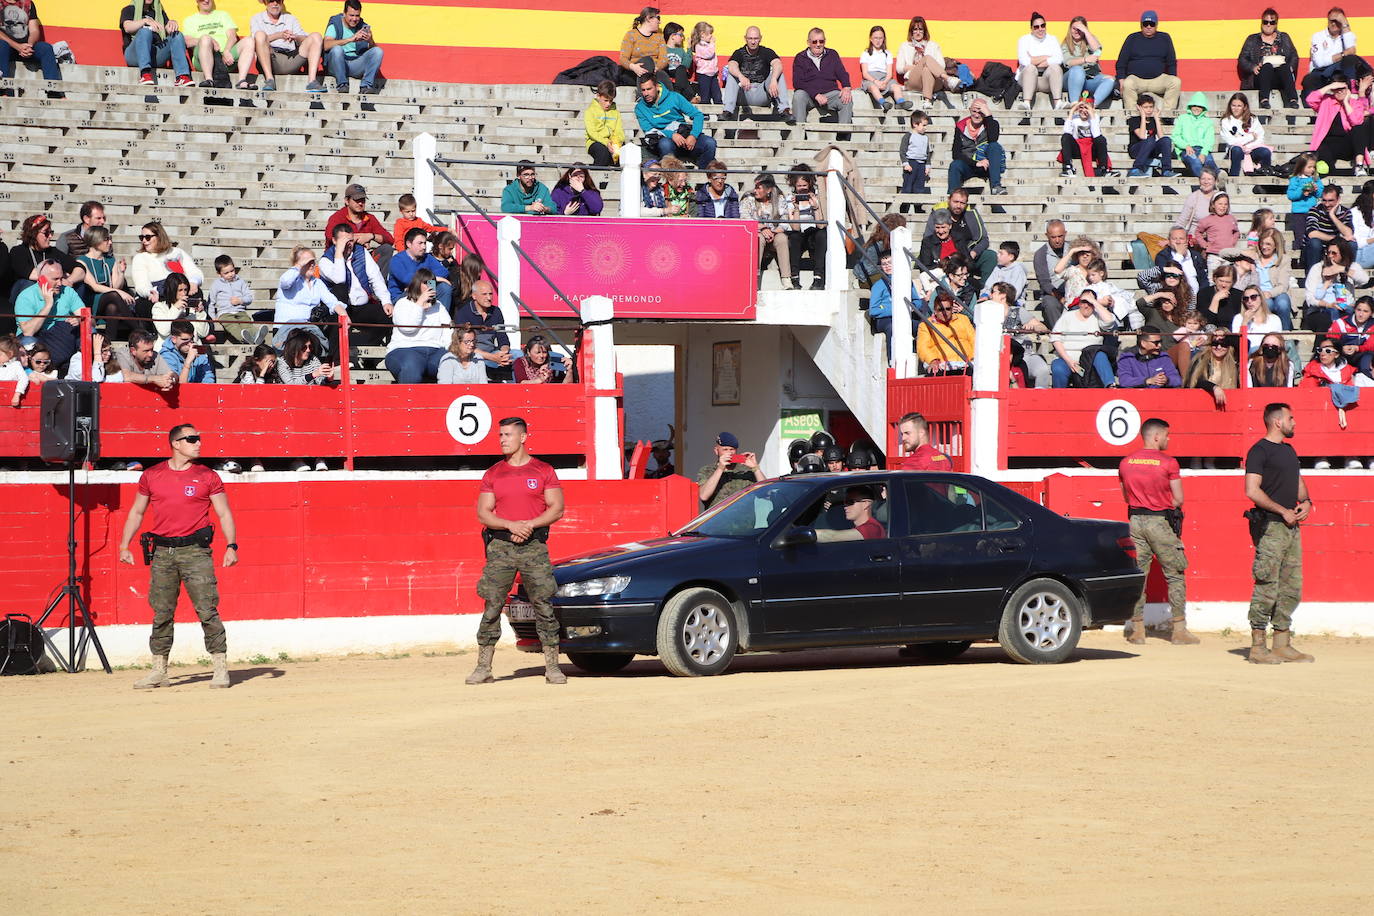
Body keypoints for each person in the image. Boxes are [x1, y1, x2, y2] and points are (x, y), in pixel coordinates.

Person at [119, 423, 238, 689]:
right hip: (162, 552)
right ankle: (159, 670)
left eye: (198, 438)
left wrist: (232, 545)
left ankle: (220, 667)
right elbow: (137, 512)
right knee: (161, 612)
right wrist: (123, 545)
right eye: (192, 439)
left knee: (207, 609)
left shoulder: (207, 476)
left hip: (196, 551)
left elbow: (224, 513)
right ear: (176, 443)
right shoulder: (152, 475)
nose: (198, 443)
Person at [464, 417, 567, 685]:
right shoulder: (493, 473)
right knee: (492, 605)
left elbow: (556, 507)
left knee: (543, 603)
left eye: (508, 434)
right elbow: (483, 513)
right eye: (500, 435)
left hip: (533, 546)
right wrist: (511, 524)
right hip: (500, 546)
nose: (502, 439)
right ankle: (483, 666)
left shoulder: (543, 470)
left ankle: (553, 667)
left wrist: (528, 525)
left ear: (523, 437)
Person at [1243, 403, 1314, 664]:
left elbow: (1297, 480)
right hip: (1272, 526)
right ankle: (1258, 647)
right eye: (1290, 418)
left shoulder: (1287, 449)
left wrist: (1306, 502)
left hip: (1290, 527)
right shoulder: (1259, 450)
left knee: (1291, 586)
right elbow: (1252, 490)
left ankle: (1282, 642)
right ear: (1277, 422)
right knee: (1267, 584)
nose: (1294, 422)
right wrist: (1282, 511)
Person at [1119, 417, 1197, 646]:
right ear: (1155, 436)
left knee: (1138, 576)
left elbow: (1126, 496)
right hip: (1160, 522)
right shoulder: (1168, 462)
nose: (1168, 438)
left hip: (1135, 522)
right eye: (1166, 435)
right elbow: (1178, 499)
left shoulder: (1126, 462)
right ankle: (1179, 630)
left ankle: (1138, 630)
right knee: (1175, 574)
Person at [319, 222, 392, 352]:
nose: (349, 244)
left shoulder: (361, 252)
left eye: (351, 240)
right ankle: (336, 357)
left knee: (386, 316)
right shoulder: (325, 260)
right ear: (334, 240)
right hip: (339, 309)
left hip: (361, 306)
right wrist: (339, 254)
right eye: (344, 240)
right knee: (339, 293)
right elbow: (339, 279)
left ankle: (369, 351)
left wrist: (386, 301)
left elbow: (376, 278)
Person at [272, 245, 346, 355]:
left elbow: (332, 302)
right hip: (286, 328)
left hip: (307, 328)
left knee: (317, 342)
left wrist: (345, 316)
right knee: (301, 344)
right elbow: (285, 282)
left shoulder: (318, 283)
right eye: (308, 261)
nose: (312, 264)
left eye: (313, 261)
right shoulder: (290, 279)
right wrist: (299, 265)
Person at [634, 73, 717, 166]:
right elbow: (649, 131)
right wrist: (672, 134)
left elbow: (698, 115)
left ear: (657, 86)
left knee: (709, 143)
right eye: (643, 90)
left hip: (685, 137)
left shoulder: (674, 97)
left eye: (649, 89)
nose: (646, 93)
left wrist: (693, 135)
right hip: (664, 141)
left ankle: (705, 173)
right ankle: (672, 177)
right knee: (665, 144)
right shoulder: (640, 108)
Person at [15, 260, 83, 369]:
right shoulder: (26, 296)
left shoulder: (68, 292)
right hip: (36, 338)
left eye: (61, 278)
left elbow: (90, 320)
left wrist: (79, 320)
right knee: (28, 342)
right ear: (41, 279)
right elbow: (28, 331)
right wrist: (48, 305)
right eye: (55, 279)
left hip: (61, 337)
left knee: (87, 331)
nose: (60, 283)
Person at [922, 188, 996, 282]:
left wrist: (973, 253)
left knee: (990, 256)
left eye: (962, 203)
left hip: (968, 253)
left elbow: (984, 239)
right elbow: (929, 239)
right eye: (955, 202)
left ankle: (984, 288)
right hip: (944, 258)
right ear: (949, 200)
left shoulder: (972, 216)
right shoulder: (939, 215)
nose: (958, 206)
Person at [250, 0, 324, 93]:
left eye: (278, 1)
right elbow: (255, 42)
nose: (275, 4)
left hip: (291, 57)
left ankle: (312, 81)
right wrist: (279, 35)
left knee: (316, 36)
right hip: (271, 58)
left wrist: (295, 37)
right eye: (271, 1)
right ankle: (269, 79)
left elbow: (303, 37)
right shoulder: (257, 18)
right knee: (260, 35)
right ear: (265, 2)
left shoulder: (291, 18)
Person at [722, 26, 793, 122]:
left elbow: (778, 63)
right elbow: (731, 64)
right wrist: (741, 76)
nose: (753, 42)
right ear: (745, 39)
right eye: (750, 38)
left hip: (762, 93)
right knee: (732, 74)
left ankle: (784, 110)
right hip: (744, 93)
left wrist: (773, 79)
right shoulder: (739, 52)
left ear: (760, 38)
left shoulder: (766, 52)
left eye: (755, 38)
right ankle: (727, 111)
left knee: (778, 73)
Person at [1051, 289, 1119, 387]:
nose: (1086, 306)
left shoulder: (1098, 316)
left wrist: (1094, 302)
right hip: (1067, 358)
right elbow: (1055, 338)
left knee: (1100, 355)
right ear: (1079, 303)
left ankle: (1110, 386)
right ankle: (1058, 397)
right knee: (1058, 368)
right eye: (1083, 302)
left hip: (1090, 358)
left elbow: (1109, 321)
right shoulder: (1067, 316)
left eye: (1089, 302)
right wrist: (1069, 361)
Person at [182, 0, 257, 89]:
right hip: (202, 59)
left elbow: (232, 36)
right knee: (205, 38)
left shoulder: (223, 15)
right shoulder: (190, 20)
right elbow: (187, 42)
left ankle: (241, 81)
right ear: (197, 1)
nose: (206, 1)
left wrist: (227, 50)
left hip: (225, 58)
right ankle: (209, 79)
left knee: (249, 40)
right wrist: (207, 40)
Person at [1117, 10, 1181, 113]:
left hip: (1158, 79)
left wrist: (1172, 75)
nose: (1148, 27)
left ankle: (1167, 115)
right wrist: (1121, 79)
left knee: (1175, 82)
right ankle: (1133, 116)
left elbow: (1171, 62)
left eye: (1152, 24)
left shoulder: (1165, 38)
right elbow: (1121, 62)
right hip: (1137, 79)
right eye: (1145, 24)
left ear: (1156, 25)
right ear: (1141, 25)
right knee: (1127, 83)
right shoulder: (1132, 38)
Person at [1307, 78, 1373, 176]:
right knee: (1323, 153)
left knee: (1359, 127)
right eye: (1336, 89)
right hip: (1328, 144)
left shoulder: (1355, 103)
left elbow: (1356, 121)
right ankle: (1331, 176)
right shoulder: (1326, 101)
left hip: (1348, 144)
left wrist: (1346, 102)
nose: (1339, 91)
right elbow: (1310, 100)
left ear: (1348, 90)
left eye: (1342, 88)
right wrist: (1329, 86)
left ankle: (1359, 166)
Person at [129, 222, 202, 308]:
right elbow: (141, 284)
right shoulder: (140, 258)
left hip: (180, 288)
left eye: (148, 237)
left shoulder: (176, 252)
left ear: (159, 237)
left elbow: (194, 271)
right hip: (157, 291)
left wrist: (194, 282)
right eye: (141, 238)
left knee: (197, 294)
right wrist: (150, 292)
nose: (144, 241)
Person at [791, 28, 853, 127]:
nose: (818, 44)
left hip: (830, 94)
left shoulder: (832, 54)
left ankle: (843, 137)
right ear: (808, 42)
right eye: (814, 41)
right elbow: (797, 82)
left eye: (821, 41)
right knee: (798, 95)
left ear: (825, 41)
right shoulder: (800, 57)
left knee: (846, 99)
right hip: (809, 96)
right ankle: (800, 134)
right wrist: (815, 94)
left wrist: (846, 87)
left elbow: (842, 73)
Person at [1238, 9, 1299, 109]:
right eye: (1265, 22)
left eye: (1272, 22)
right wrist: (1253, 67)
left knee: (1284, 67)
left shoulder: (1284, 37)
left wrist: (1290, 68)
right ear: (1261, 23)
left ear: (1276, 24)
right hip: (1261, 76)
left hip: (1280, 76)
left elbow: (1294, 55)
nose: (1268, 25)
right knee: (1267, 66)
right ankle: (1264, 99)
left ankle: (1293, 100)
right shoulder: (1252, 39)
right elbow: (1242, 58)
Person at [1, 0, 63, 96]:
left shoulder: (28, 3)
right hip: (7, 47)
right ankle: (3, 91)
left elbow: (34, 30)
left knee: (45, 48)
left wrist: (29, 45)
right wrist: (17, 47)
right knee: (2, 45)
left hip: (26, 48)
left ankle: (54, 92)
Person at [452, 279, 511, 379]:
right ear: (474, 296)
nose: (489, 298)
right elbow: (463, 346)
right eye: (484, 294)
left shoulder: (496, 311)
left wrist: (504, 353)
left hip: (493, 353)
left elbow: (502, 337)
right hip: (472, 354)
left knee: (517, 355)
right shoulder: (463, 313)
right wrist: (492, 357)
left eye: (491, 294)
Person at [1305, 189, 1359, 297]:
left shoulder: (1345, 212)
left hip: (1336, 248)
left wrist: (1332, 216)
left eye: (1330, 200)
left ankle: (1347, 277)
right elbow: (1312, 233)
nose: (1327, 204)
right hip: (1319, 247)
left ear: (1338, 200)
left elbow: (1348, 233)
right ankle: (1312, 280)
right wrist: (1335, 239)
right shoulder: (1315, 210)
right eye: (1324, 200)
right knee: (1314, 243)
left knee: (1352, 244)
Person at [741, 173, 791, 287]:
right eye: (755, 187)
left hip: (775, 233)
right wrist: (762, 228)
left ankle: (786, 278)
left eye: (758, 187)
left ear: (768, 190)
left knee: (782, 239)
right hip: (756, 233)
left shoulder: (779, 199)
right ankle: (755, 278)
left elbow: (784, 221)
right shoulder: (748, 198)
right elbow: (745, 218)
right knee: (758, 239)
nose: (755, 190)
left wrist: (773, 232)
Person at [322, 0, 382, 94]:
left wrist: (370, 40)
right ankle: (342, 84)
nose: (354, 19)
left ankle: (366, 86)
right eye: (351, 15)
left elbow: (373, 52)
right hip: (336, 65)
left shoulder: (362, 26)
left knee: (378, 51)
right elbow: (326, 45)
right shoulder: (335, 24)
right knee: (337, 49)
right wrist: (350, 39)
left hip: (355, 64)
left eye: (357, 15)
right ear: (344, 13)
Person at [949, 98, 1006, 195]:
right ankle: (953, 195)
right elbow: (956, 154)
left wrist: (988, 115)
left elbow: (993, 139)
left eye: (980, 112)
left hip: (987, 165)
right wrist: (975, 163)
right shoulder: (961, 126)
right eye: (974, 111)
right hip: (970, 165)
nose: (976, 115)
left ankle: (996, 186)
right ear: (970, 110)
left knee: (994, 146)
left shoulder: (991, 124)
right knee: (955, 165)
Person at [388, 227, 452, 311]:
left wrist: (431, 280)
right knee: (419, 288)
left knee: (444, 288)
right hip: (403, 297)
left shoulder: (427, 257)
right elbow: (408, 280)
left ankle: (441, 320)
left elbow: (443, 272)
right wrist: (435, 278)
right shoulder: (397, 260)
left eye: (425, 243)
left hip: (423, 291)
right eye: (420, 243)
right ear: (409, 244)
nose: (424, 246)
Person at [785, 165, 827, 290]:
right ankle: (795, 277)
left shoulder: (818, 197)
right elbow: (796, 227)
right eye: (799, 186)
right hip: (799, 233)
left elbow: (820, 225)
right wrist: (796, 208)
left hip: (814, 233)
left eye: (805, 186)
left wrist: (815, 207)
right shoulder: (789, 199)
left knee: (822, 234)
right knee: (794, 237)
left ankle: (818, 277)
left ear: (809, 184)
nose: (802, 189)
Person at [696, 431, 765, 509]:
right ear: (716, 451)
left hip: (744, 519)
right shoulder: (707, 470)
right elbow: (704, 496)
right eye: (725, 449)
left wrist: (755, 468)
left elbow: (766, 492)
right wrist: (720, 468)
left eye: (732, 449)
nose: (729, 453)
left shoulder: (745, 470)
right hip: (718, 520)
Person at [323, 183, 394, 257]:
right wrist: (356, 239)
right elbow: (330, 237)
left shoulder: (370, 218)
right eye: (356, 200)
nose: (360, 203)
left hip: (362, 257)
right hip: (339, 256)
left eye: (362, 200)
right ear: (347, 201)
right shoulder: (337, 217)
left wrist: (371, 236)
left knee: (387, 249)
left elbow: (390, 240)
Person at [916, 290, 975, 375]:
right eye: (940, 310)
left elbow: (974, 340)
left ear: (952, 309)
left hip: (966, 364)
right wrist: (932, 360)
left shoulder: (963, 319)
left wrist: (973, 357)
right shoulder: (926, 325)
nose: (944, 313)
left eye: (948, 309)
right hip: (942, 367)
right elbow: (923, 347)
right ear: (935, 310)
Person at [895, 16, 949, 107]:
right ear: (911, 32)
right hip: (914, 81)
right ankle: (948, 79)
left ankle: (927, 101)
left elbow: (942, 66)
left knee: (926, 69)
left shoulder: (933, 45)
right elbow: (899, 69)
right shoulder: (905, 46)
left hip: (934, 83)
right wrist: (917, 66)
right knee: (927, 59)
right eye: (915, 29)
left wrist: (926, 64)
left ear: (924, 31)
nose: (918, 32)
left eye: (920, 29)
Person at [1062, 16, 1114, 107]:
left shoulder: (1090, 39)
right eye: (1074, 28)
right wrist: (1085, 60)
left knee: (1110, 80)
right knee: (1078, 69)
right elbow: (1068, 62)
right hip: (1071, 80)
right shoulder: (1065, 44)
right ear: (1070, 29)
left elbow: (1098, 51)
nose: (1077, 31)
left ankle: (1090, 106)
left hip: (1090, 79)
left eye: (1080, 29)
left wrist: (1086, 31)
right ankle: (1074, 105)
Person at [1015, 12, 1063, 111]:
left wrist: (1033, 59)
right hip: (1026, 79)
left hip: (1045, 79)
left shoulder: (1052, 39)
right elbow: (1024, 61)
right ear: (1031, 29)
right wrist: (1046, 57)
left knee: (1055, 68)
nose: (1040, 29)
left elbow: (1059, 59)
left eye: (1043, 25)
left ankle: (1058, 102)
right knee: (1030, 68)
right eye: (1036, 27)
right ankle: (1026, 103)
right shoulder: (1024, 40)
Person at [1185, 328, 1240, 408]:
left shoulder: (1234, 361)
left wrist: (1227, 336)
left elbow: (1246, 344)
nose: (1219, 347)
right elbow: (1197, 380)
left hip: (1228, 405)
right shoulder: (1201, 358)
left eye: (1224, 344)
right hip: (1201, 404)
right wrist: (1214, 388)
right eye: (1215, 343)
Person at [859, 24, 908, 112]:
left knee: (896, 87)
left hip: (885, 78)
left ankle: (901, 102)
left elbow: (889, 73)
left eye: (880, 38)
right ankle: (883, 102)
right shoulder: (866, 53)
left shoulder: (887, 53)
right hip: (871, 78)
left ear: (884, 39)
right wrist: (875, 81)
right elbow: (865, 73)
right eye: (875, 38)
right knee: (873, 88)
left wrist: (885, 82)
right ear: (871, 39)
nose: (878, 41)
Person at [1125, 93, 1175, 178]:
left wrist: (1156, 119)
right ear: (1139, 107)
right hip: (1136, 149)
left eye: (1151, 107)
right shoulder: (1133, 120)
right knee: (1150, 139)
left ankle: (1166, 170)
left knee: (1166, 140)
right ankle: (1136, 169)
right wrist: (1143, 117)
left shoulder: (1153, 120)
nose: (1149, 110)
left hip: (1151, 149)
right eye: (1145, 107)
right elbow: (1142, 136)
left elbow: (1161, 137)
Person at [1308, 7, 1361, 86]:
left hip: (1340, 73)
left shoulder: (1348, 35)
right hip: (1320, 72)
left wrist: (1344, 23)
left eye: (1337, 21)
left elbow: (1351, 54)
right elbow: (1319, 63)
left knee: (1352, 60)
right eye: (1331, 21)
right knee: (1308, 85)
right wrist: (1343, 54)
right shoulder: (1318, 36)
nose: (1333, 24)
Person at [1059, 97, 1111, 177]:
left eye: (1086, 108)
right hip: (1078, 148)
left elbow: (1096, 135)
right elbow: (1066, 132)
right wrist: (1072, 111)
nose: (1083, 111)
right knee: (1066, 137)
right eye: (1081, 107)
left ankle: (1104, 169)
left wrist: (1092, 115)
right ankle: (1068, 168)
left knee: (1101, 139)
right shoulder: (1074, 118)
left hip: (1091, 148)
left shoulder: (1094, 117)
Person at [1117, 325, 1182, 388]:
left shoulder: (1163, 357)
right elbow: (1124, 381)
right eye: (1156, 343)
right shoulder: (1127, 358)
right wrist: (1147, 381)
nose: (1159, 345)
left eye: (1160, 342)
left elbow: (1177, 379)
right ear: (1143, 343)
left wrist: (1167, 380)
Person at [815, 486, 886, 542]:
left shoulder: (872, 528)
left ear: (866, 504)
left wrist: (808, 535)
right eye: (845, 503)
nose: (845, 506)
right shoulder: (855, 527)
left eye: (850, 502)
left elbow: (832, 537)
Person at [618, 6, 667, 85]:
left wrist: (655, 68)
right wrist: (633, 67)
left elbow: (664, 59)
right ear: (648, 18)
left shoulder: (659, 37)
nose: (659, 22)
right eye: (658, 18)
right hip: (635, 72)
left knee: (663, 76)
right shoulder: (631, 35)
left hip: (654, 72)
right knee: (646, 61)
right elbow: (623, 58)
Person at [1172, 92, 1218, 178]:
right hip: (1186, 149)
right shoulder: (1182, 118)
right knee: (1196, 162)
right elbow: (1175, 136)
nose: (1196, 108)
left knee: (1209, 162)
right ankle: (1208, 181)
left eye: (1200, 106)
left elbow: (1209, 139)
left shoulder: (1207, 121)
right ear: (1190, 106)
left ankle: (1218, 176)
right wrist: (1186, 146)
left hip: (1202, 149)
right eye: (1194, 105)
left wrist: (1204, 153)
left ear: (1203, 108)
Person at [1033, 219, 1069, 327]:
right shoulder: (1040, 254)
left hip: (1074, 290)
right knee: (1050, 303)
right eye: (1053, 237)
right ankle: (1059, 333)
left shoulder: (1073, 249)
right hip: (1053, 294)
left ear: (1065, 234)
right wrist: (1061, 298)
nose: (1057, 240)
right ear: (1047, 235)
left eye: (1060, 236)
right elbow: (1045, 284)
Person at [1155, 226, 1208, 299]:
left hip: (1197, 299)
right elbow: (1165, 273)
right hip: (1174, 298)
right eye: (1174, 239)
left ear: (1187, 240)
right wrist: (1179, 255)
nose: (1178, 242)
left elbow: (1203, 278)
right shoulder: (1162, 256)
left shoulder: (1195, 256)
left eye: (1181, 238)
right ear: (1169, 241)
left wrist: (1201, 295)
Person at [584, 79, 625, 167]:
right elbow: (592, 133)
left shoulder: (616, 113)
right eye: (605, 100)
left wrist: (616, 142)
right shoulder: (590, 111)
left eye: (611, 100)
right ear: (598, 96)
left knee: (624, 152)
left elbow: (619, 131)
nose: (608, 104)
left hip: (613, 142)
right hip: (595, 142)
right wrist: (606, 142)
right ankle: (596, 177)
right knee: (603, 152)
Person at [1196, 193, 1240, 271]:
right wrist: (1204, 244)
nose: (1223, 206)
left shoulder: (1231, 219)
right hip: (1214, 255)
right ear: (1213, 205)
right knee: (1212, 278)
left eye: (1225, 204)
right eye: (1220, 204)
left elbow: (1236, 232)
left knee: (1227, 275)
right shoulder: (1207, 220)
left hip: (1228, 255)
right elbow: (1198, 232)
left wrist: (1232, 242)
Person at [899, 110, 932, 197]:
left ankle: (918, 207)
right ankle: (904, 208)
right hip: (911, 163)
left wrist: (927, 165)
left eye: (926, 125)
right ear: (915, 124)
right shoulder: (908, 136)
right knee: (908, 186)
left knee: (919, 186)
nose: (925, 128)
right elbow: (902, 151)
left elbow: (928, 153)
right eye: (923, 125)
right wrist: (905, 163)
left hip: (922, 164)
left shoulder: (925, 138)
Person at [691, 21, 720, 105]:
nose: (711, 36)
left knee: (717, 94)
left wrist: (716, 72)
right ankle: (705, 113)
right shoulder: (699, 46)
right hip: (704, 74)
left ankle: (720, 111)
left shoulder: (708, 45)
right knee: (705, 95)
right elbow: (708, 54)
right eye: (710, 33)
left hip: (713, 74)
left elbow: (714, 60)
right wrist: (712, 43)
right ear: (702, 34)